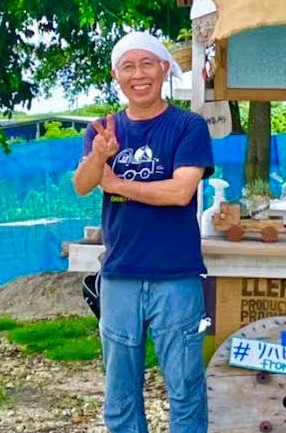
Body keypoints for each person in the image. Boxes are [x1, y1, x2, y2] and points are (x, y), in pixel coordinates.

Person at [73, 30, 213, 433]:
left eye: (147, 64)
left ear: (164, 68)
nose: (138, 75)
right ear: (116, 75)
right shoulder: (103, 129)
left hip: (176, 275)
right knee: (120, 393)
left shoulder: (188, 126)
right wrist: (98, 157)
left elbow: (180, 192)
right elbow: (82, 185)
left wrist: (118, 184)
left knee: (185, 387)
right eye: (128, 67)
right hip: (120, 274)